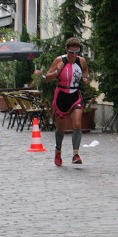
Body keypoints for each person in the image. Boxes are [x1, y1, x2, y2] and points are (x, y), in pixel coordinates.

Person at [37, 36, 89, 167]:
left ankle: (75, 154)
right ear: (67, 50)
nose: (73, 55)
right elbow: (47, 78)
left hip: (75, 95)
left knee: (77, 123)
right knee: (61, 127)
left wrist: (85, 78)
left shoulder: (81, 61)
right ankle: (58, 151)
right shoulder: (59, 60)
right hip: (61, 95)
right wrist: (57, 71)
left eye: (76, 52)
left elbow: (85, 71)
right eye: (71, 52)